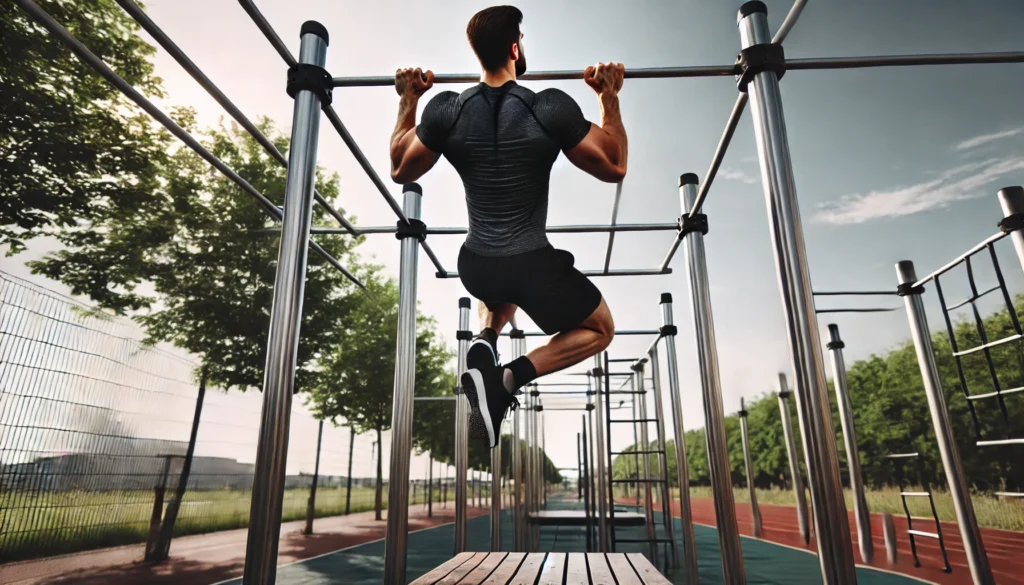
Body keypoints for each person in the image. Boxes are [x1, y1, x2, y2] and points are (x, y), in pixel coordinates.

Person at [388, 5, 627, 448]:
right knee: (600, 329)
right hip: (532, 264)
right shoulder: (547, 106)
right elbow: (614, 164)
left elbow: (401, 167)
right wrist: (608, 95)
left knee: (501, 286)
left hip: (476, 264)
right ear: (515, 48)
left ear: (477, 53)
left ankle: (485, 339)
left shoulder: (447, 109)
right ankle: (508, 379)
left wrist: (409, 100)